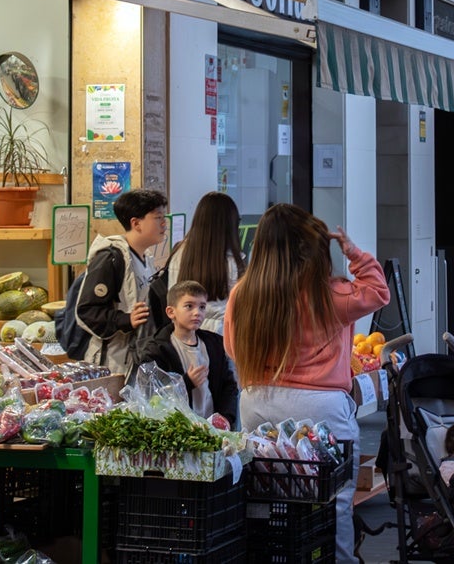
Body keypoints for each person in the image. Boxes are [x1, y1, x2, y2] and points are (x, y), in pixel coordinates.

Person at [224, 204, 389, 564]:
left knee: (266, 498)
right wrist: (353, 252)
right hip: (321, 407)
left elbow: (233, 349)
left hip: (258, 404)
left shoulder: (243, 294)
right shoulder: (329, 294)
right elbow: (378, 292)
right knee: (333, 501)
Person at [59, 188, 167, 375]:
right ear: (136, 223)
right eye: (158, 218)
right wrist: (125, 319)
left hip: (137, 358)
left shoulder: (146, 259)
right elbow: (86, 312)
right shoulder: (110, 259)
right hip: (112, 364)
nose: (165, 223)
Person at [137, 279, 239, 426]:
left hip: (212, 428)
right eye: (189, 306)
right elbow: (152, 394)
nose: (197, 312)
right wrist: (186, 383)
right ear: (171, 312)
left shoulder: (215, 344)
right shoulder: (157, 350)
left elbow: (229, 386)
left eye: (202, 307)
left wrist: (226, 418)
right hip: (177, 430)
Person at [163, 191, 244, 333]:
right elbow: (240, 305)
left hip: (185, 333)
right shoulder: (233, 260)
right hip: (223, 334)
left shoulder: (179, 253)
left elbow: (173, 295)